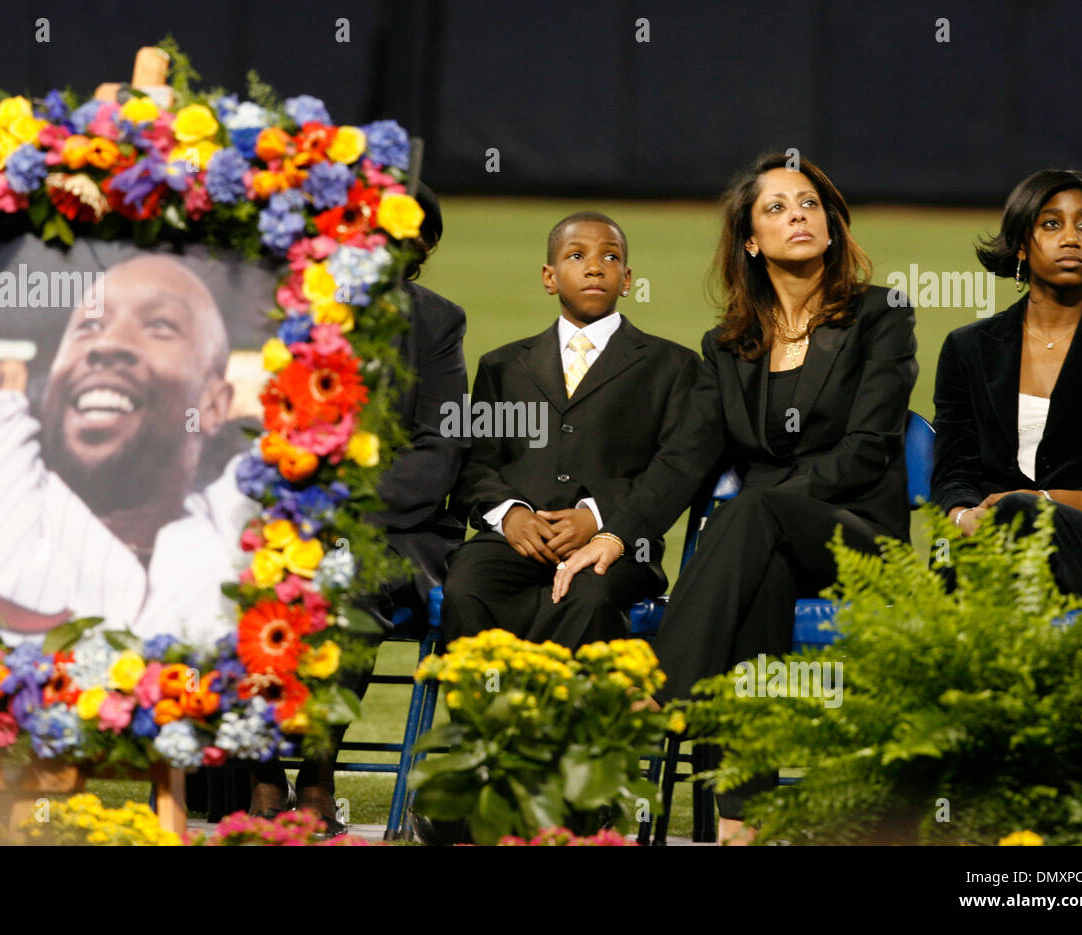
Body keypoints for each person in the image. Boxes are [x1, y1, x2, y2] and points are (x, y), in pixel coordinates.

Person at [553, 154, 918, 843]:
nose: (798, 216)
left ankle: (663, 687)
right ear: (750, 241)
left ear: (832, 225)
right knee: (760, 582)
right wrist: (615, 531)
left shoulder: (880, 315)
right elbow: (685, 458)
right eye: (776, 208)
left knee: (752, 508)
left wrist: (773, 499)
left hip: (857, 536)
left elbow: (869, 445)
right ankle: (740, 819)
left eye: (808, 203)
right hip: (768, 545)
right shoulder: (727, 346)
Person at [245, 183, 470, 830]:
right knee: (242, 574)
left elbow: (441, 445)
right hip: (279, 514)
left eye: (402, 229)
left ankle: (317, 774)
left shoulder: (435, 322)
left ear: (422, 246)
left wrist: (344, 517)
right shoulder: (288, 310)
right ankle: (262, 773)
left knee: (347, 577)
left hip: (387, 529)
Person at [0, 254, 251, 644]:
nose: (107, 344)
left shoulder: (244, 535)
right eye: (89, 326)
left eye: (160, 325)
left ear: (212, 406)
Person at [441, 211, 699, 648]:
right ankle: (486, 716)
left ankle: (564, 715)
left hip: (616, 545)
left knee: (588, 598)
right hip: (513, 542)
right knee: (466, 589)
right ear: (549, 276)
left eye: (610, 257)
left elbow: (675, 471)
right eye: (576, 255)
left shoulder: (672, 366)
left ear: (627, 278)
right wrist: (511, 515)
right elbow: (475, 468)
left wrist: (598, 517)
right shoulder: (502, 366)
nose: (595, 266)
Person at [932, 169, 1082, 605]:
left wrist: (1044, 501)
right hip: (991, 543)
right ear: (1022, 245)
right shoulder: (967, 348)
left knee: (1017, 516)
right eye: (1051, 224)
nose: (1071, 237)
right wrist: (961, 518)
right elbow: (954, 472)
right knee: (985, 538)